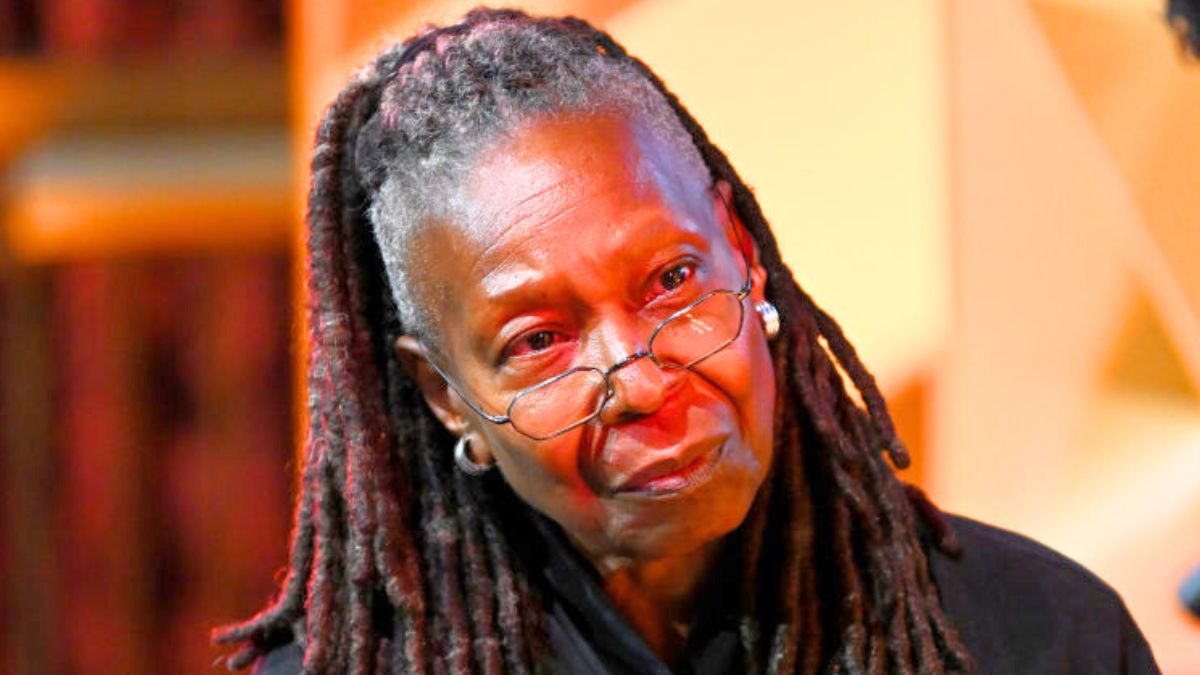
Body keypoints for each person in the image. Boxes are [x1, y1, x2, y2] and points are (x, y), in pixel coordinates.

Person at [214, 9, 1161, 674]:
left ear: (742, 252)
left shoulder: (1043, 638)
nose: (639, 381)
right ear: (445, 393)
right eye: (541, 338)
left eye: (671, 281)